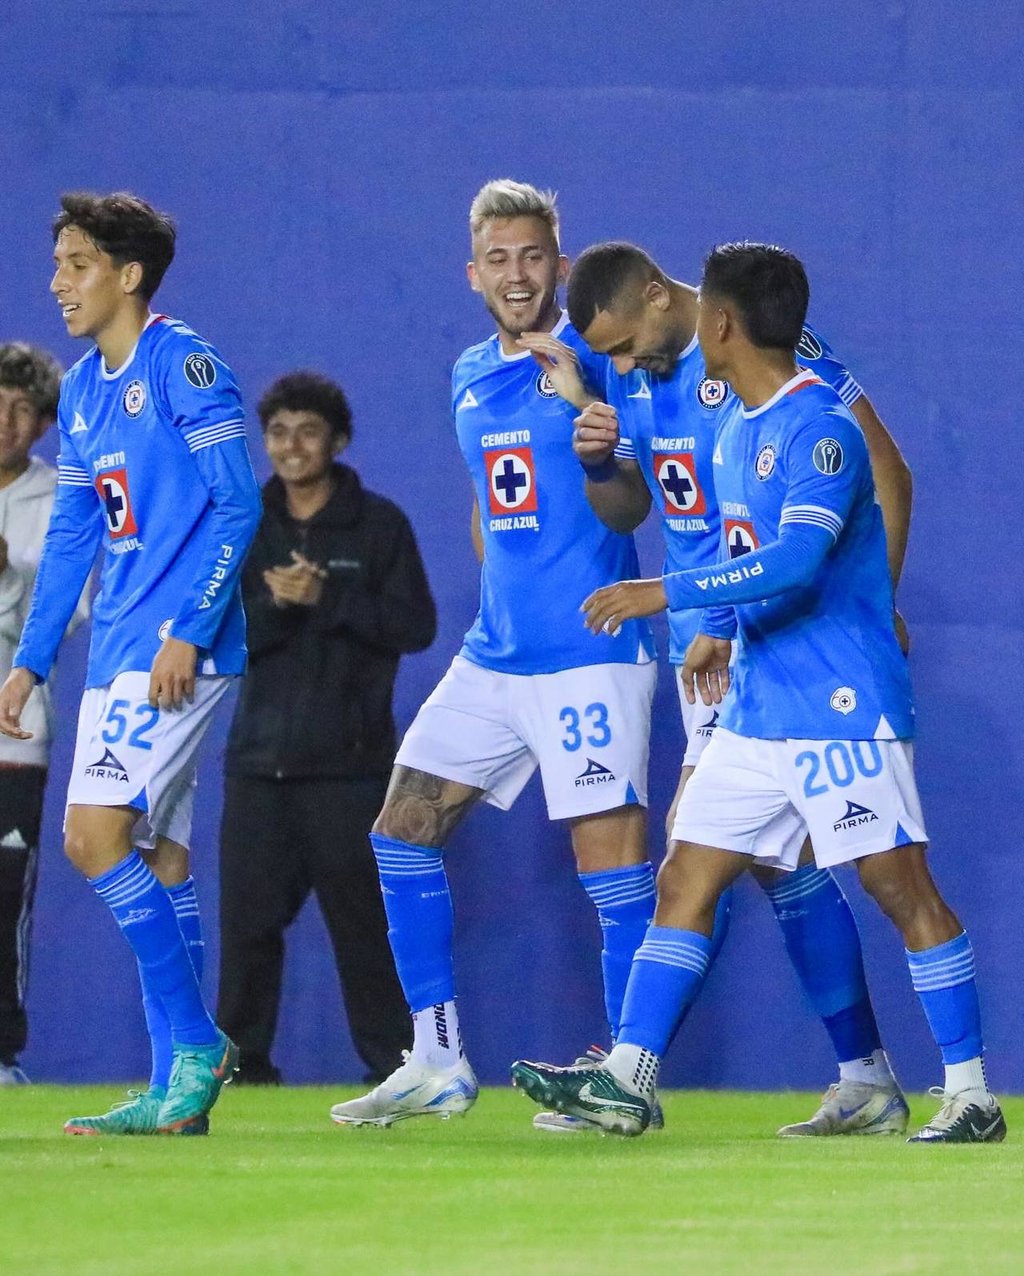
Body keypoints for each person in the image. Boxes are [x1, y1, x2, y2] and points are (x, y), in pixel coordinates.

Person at [512, 241, 1005, 1145]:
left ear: (716, 320)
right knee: (688, 871)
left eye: (627, 347)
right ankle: (630, 1078)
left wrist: (678, 593)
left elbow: (798, 557)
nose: (623, 369)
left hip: (836, 701)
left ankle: (968, 1091)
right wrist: (723, 625)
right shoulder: (736, 429)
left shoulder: (820, 423)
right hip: (755, 696)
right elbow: (744, 555)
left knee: (897, 884)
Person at [329, 179, 662, 1130]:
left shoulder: (602, 366)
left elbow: (631, 507)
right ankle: (435, 1059)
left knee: (610, 862)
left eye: (533, 257)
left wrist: (595, 436)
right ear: (473, 273)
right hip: (497, 654)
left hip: (590, 650)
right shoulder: (469, 371)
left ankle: (626, 1078)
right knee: (401, 831)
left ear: (560, 265)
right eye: (499, 260)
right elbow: (491, 507)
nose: (518, 276)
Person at [0, 191, 262, 1134]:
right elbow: (73, 536)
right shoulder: (82, 389)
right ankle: (173, 1094)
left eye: (76, 264)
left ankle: (195, 1041)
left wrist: (190, 629)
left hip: (176, 648)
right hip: (116, 647)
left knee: (88, 837)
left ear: (128, 274)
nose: (58, 282)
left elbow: (239, 507)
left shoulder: (183, 364)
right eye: (60, 262)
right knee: (160, 855)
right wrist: (32, 662)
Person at [218, 370, 435, 1085]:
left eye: (307, 430)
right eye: (278, 431)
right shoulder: (241, 522)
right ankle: (241, 1067)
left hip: (351, 768)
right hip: (258, 766)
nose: (291, 445)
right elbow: (218, 636)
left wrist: (328, 595)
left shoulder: (379, 525)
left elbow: (415, 625)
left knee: (365, 932)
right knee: (247, 933)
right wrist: (280, 606)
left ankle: (396, 1071)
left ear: (336, 440)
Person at [0, 342, 90, 1085]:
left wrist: (7, 578)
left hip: (14, 734)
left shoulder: (63, 494)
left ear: (41, 422)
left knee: (3, 903)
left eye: (21, 409)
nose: (3, 421)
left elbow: (71, 611)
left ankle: (2, 1054)